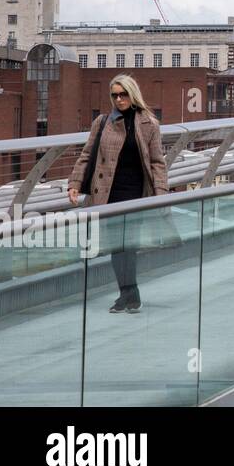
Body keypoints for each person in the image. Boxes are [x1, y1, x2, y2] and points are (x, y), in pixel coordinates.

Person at [67, 74, 169, 313]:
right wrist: (74, 182)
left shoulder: (148, 124)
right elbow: (86, 154)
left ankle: (129, 294)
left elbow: (157, 162)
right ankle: (129, 295)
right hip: (107, 192)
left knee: (128, 246)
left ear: (132, 95)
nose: (119, 99)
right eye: (115, 95)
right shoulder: (102, 122)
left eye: (123, 94)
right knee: (117, 247)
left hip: (136, 193)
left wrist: (161, 193)